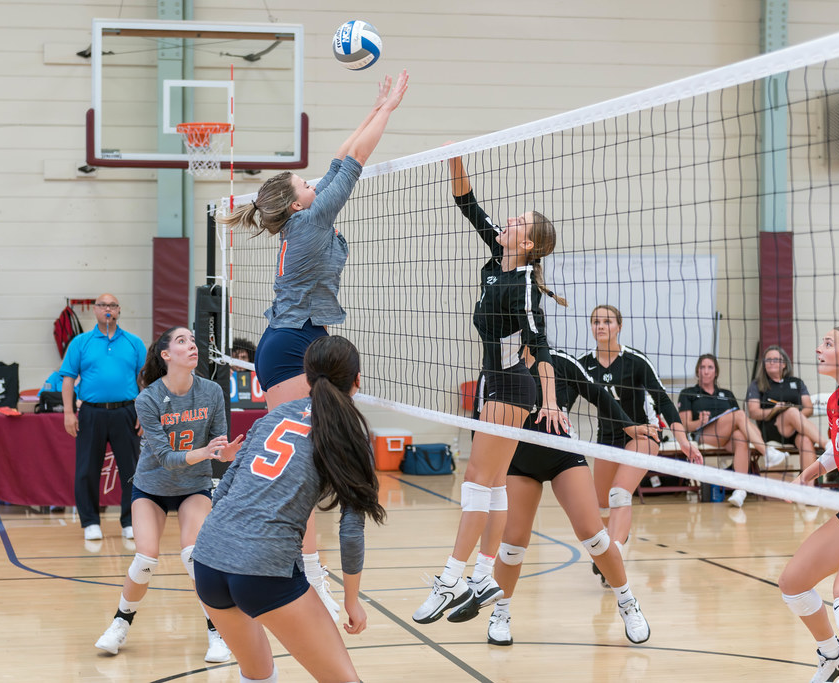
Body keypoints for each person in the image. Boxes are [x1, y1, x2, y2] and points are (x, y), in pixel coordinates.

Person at [218, 71, 408, 618]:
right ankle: (308, 573)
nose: (312, 183)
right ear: (299, 203)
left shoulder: (305, 214)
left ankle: (305, 568)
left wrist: (374, 106)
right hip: (289, 344)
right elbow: (355, 161)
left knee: (309, 455)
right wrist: (390, 111)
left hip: (303, 337)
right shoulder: (313, 218)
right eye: (304, 183)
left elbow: (337, 159)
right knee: (303, 459)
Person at [411, 154, 570, 625]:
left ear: (528, 243)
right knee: (494, 484)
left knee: (476, 481)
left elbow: (540, 347)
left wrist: (551, 400)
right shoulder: (499, 257)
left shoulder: (524, 285)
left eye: (518, 222)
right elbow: (467, 202)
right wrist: (454, 160)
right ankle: (482, 576)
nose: (507, 221)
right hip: (495, 383)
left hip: (512, 386)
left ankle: (451, 579)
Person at [192, 335, 383, 682]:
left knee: (258, 675)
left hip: (208, 559)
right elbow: (351, 530)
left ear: (306, 377)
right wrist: (352, 599)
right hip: (262, 568)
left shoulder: (272, 417)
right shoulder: (351, 435)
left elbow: (222, 495)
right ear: (357, 379)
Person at [451, 348, 654, 645]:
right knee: (512, 546)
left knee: (595, 536)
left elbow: (599, 394)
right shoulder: (496, 368)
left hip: (563, 457)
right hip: (517, 462)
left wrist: (630, 427)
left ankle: (627, 602)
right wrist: (486, 472)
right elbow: (479, 425)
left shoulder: (559, 362)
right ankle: (501, 614)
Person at [94, 326, 242, 662]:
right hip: (152, 487)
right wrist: (206, 452)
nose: (192, 345)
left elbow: (219, 446)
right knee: (146, 560)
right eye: (182, 341)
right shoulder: (147, 399)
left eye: (192, 340)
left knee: (194, 557)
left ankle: (217, 632)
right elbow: (165, 457)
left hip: (194, 487)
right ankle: (120, 623)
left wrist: (225, 453)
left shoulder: (212, 392)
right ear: (166, 355)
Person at [578, 304, 702, 556]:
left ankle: (614, 553)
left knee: (619, 494)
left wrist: (683, 440)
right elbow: (561, 400)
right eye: (596, 322)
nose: (601, 326)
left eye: (607, 321)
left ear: (619, 327)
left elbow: (663, 401)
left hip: (643, 435)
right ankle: (614, 540)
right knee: (601, 505)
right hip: (607, 438)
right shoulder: (583, 365)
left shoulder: (635, 361)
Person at [778, 325, 839, 683]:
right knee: (793, 583)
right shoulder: (835, 401)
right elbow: (836, 450)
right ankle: (831, 655)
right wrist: (807, 475)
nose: (819, 348)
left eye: (828, 344)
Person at [60, 294, 147, 542]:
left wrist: (144, 412)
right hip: (91, 412)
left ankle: (130, 521)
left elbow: (145, 380)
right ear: (95, 310)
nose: (107, 309)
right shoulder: (80, 342)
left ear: (118, 310)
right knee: (87, 469)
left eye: (112, 305)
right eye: (102, 305)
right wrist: (68, 413)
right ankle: (90, 522)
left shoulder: (134, 343)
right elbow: (68, 379)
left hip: (126, 412)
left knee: (131, 470)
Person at [679, 354, 787, 508]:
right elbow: (685, 425)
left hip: (727, 436)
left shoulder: (726, 394)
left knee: (740, 436)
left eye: (710, 367)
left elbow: (739, 423)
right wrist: (699, 421)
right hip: (704, 435)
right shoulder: (688, 393)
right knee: (739, 414)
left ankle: (740, 490)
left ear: (716, 372)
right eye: (702, 367)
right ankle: (767, 453)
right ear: (697, 371)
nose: (706, 371)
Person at [747, 345, 825, 476]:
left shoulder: (796, 382)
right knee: (791, 412)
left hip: (795, 429)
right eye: (768, 360)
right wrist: (775, 410)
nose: (771, 362)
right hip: (770, 429)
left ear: (784, 364)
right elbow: (753, 412)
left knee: (806, 440)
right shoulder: (757, 384)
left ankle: (807, 486)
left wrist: (794, 418)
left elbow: (809, 408)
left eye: (775, 359)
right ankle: (826, 445)